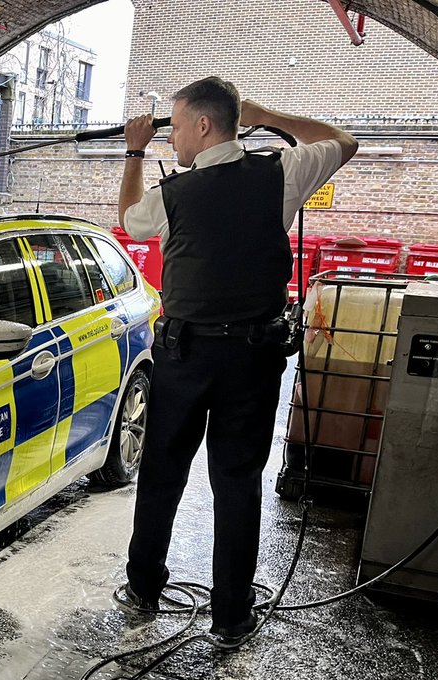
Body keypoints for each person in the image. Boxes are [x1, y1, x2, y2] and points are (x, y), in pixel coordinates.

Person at [116, 76, 357, 648]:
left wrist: (133, 151)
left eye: (175, 127)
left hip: (185, 355)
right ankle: (230, 618)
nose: (171, 139)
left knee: (161, 477)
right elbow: (344, 141)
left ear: (203, 126)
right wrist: (267, 113)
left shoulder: (172, 196)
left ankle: (144, 587)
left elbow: (128, 219)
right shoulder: (282, 175)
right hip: (251, 359)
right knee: (237, 483)